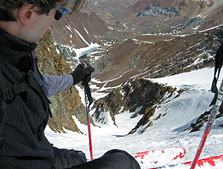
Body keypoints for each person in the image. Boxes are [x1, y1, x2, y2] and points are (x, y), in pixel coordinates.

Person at [0, 1, 141, 169]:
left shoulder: (19, 53)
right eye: (57, 13)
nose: (54, 22)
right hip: (28, 161)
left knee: (79, 157)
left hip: (38, 152)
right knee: (124, 164)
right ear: (28, 13)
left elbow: (37, 84)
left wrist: (74, 78)